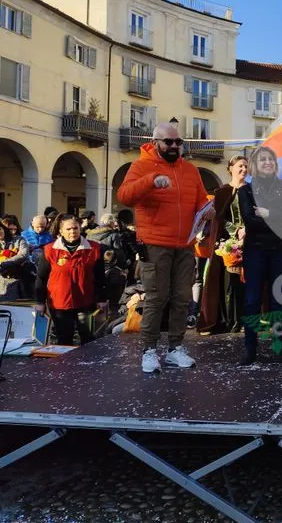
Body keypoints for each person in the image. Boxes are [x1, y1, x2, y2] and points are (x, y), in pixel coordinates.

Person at [117, 121, 214, 373]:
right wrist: (150, 181)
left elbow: (200, 198)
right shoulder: (141, 166)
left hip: (185, 244)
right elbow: (124, 196)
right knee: (156, 299)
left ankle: (175, 348)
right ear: (156, 142)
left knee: (182, 299)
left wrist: (208, 209)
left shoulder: (190, 170)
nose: (174, 146)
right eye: (168, 142)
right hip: (155, 243)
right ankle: (149, 350)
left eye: (178, 142)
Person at [235, 147, 282, 365]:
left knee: (279, 299)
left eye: (270, 160)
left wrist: (267, 213)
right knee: (252, 299)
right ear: (255, 164)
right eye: (262, 160)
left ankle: (279, 346)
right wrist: (277, 217)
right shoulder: (246, 190)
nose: (267, 163)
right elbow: (249, 220)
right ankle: (250, 347)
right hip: (255, 249)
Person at [35, 215, 107, 345]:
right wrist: (40, 301)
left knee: (88, 339)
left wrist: (102, 299)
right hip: (59, 304)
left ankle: (87, 365)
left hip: (86, 301)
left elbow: (100, 276)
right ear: (61, 231)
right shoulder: (49, 250)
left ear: (80, 229)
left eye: (75, 228)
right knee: (64, 339)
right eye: (68, 229)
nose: (72, 231)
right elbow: (41, 277)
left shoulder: (94, 249)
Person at [199, 155, 249, 335]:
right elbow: (219, 218)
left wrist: (248, 229)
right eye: (240, 166)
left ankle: (246, 320)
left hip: (249, 243)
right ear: (231, 168)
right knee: (229, 284)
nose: (243, 169)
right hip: (227, 244)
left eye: (246, 166)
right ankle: (229, 320)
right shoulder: (221, 193)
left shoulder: (252, 191)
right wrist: (234, 232)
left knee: (248, 284)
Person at [0, 221, 30, 301]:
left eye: (0, 229)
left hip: (17, 279)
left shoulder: (19, 240)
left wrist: (4, 263)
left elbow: (23, 255)